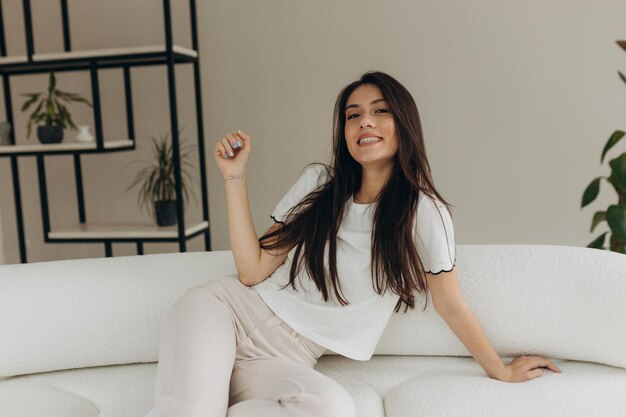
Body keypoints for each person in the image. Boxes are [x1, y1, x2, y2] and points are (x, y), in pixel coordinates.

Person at [151, 71, 561, 417]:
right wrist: (234, 176)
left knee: (333, 407)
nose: (365, 122)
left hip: (283, 360)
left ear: (404, 124)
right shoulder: (318, 184)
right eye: (354, 115)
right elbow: (252, 269)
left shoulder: (424, 212)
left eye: (380, 111)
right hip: (224, 314)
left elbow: (450, 303)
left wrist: (502, 371)